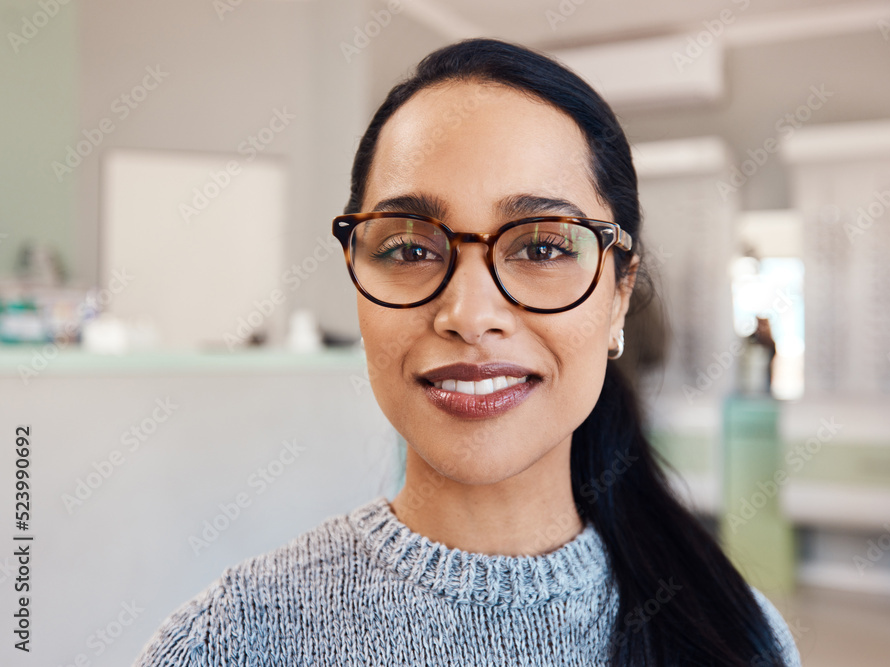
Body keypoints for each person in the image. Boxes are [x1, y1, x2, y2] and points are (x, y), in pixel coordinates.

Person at [133, 38, 802, 666]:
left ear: (619, 294)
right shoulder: (228, 641)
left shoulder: (737, 634)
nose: (470, 315)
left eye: (542, 247)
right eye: (410, 249)